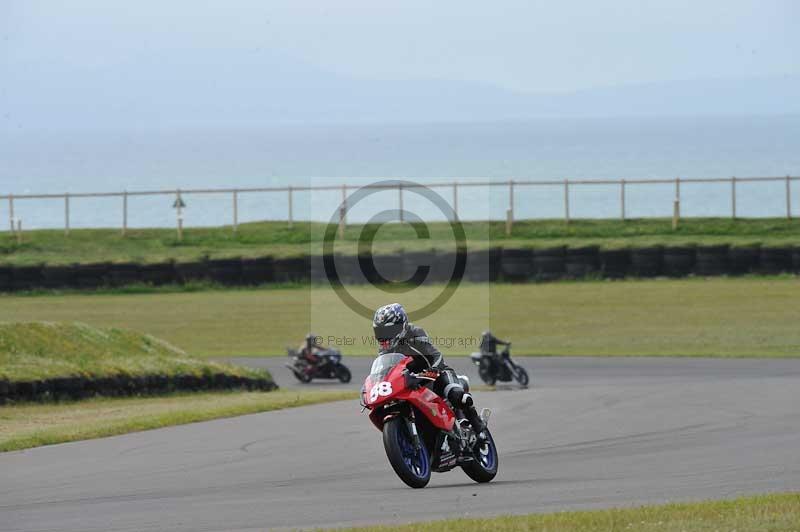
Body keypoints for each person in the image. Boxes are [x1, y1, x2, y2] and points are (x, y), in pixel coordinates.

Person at [372, 303, 486, 440]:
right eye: (379, 332)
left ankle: (479, 428)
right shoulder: (385, 350)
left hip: (437, 373)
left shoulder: (415, 334)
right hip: (411, 382)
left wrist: (426, 374)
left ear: (401, 326)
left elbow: (437, 357)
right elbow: (384, 372)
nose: (383, 337)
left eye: (387, 332)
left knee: (457, 395)